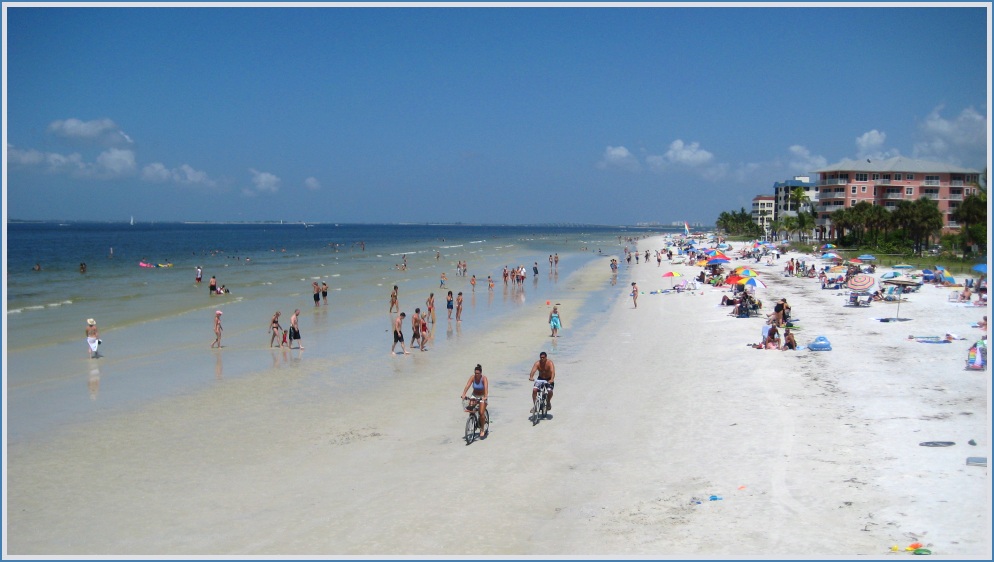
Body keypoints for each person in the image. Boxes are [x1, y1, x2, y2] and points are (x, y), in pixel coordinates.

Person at [461, 364, 489, 439]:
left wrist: (485, 397)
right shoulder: (472, 377)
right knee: (470, 409)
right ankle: (472, 419)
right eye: (475, 373)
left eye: (478, 373)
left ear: (481, 373)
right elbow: (468, 385)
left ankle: (482, 428)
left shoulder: (484, 379)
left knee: (481, 413)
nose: (476, 375)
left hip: (482, 396)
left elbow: (486, 388)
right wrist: (464, 394)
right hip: (474, 395)